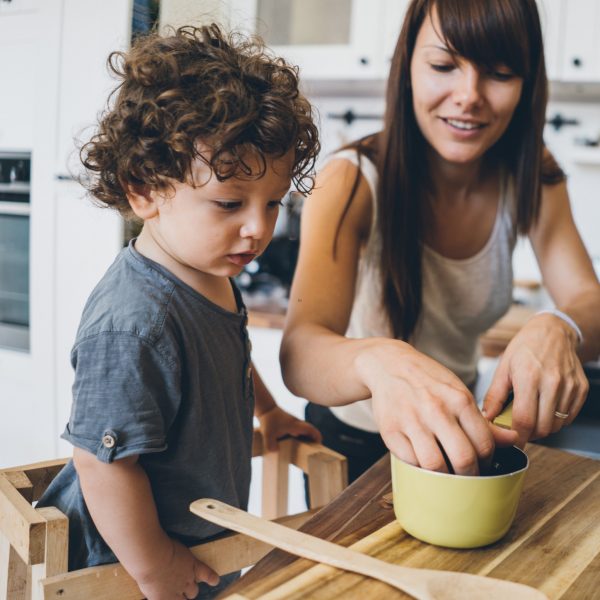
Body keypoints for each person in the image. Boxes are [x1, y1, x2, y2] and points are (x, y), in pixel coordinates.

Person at [37, 24, 321, 600]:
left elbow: (230, 355)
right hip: (124, 564)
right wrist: (154, 565)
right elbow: (103, 466)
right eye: (229, 203)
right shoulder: (135, 321)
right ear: (144, 191)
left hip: (202, 543)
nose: (259, 228)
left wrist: (268, 413)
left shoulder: (211, 272)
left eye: (273, 204)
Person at [280, 0, 600, 485]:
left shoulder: (532, 173)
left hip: (464, 438)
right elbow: (300, 353)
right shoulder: (350, 180)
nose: (469, 96)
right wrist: (379, 361)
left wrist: (559, 326)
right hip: (356, 448)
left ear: (527, 83)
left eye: (499, 72)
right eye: (443, 65)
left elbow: (589, 300)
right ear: (406, 66)